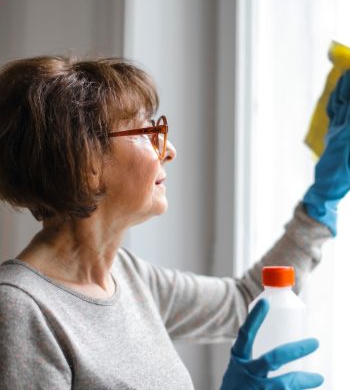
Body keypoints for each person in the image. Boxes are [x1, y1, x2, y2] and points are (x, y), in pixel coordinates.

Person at [0, 55, 347, 390]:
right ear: (85, 161)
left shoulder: (129, 277)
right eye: (146, 131)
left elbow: (248, 300)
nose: (169, 150)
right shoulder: (21, 310)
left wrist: (322, 199)